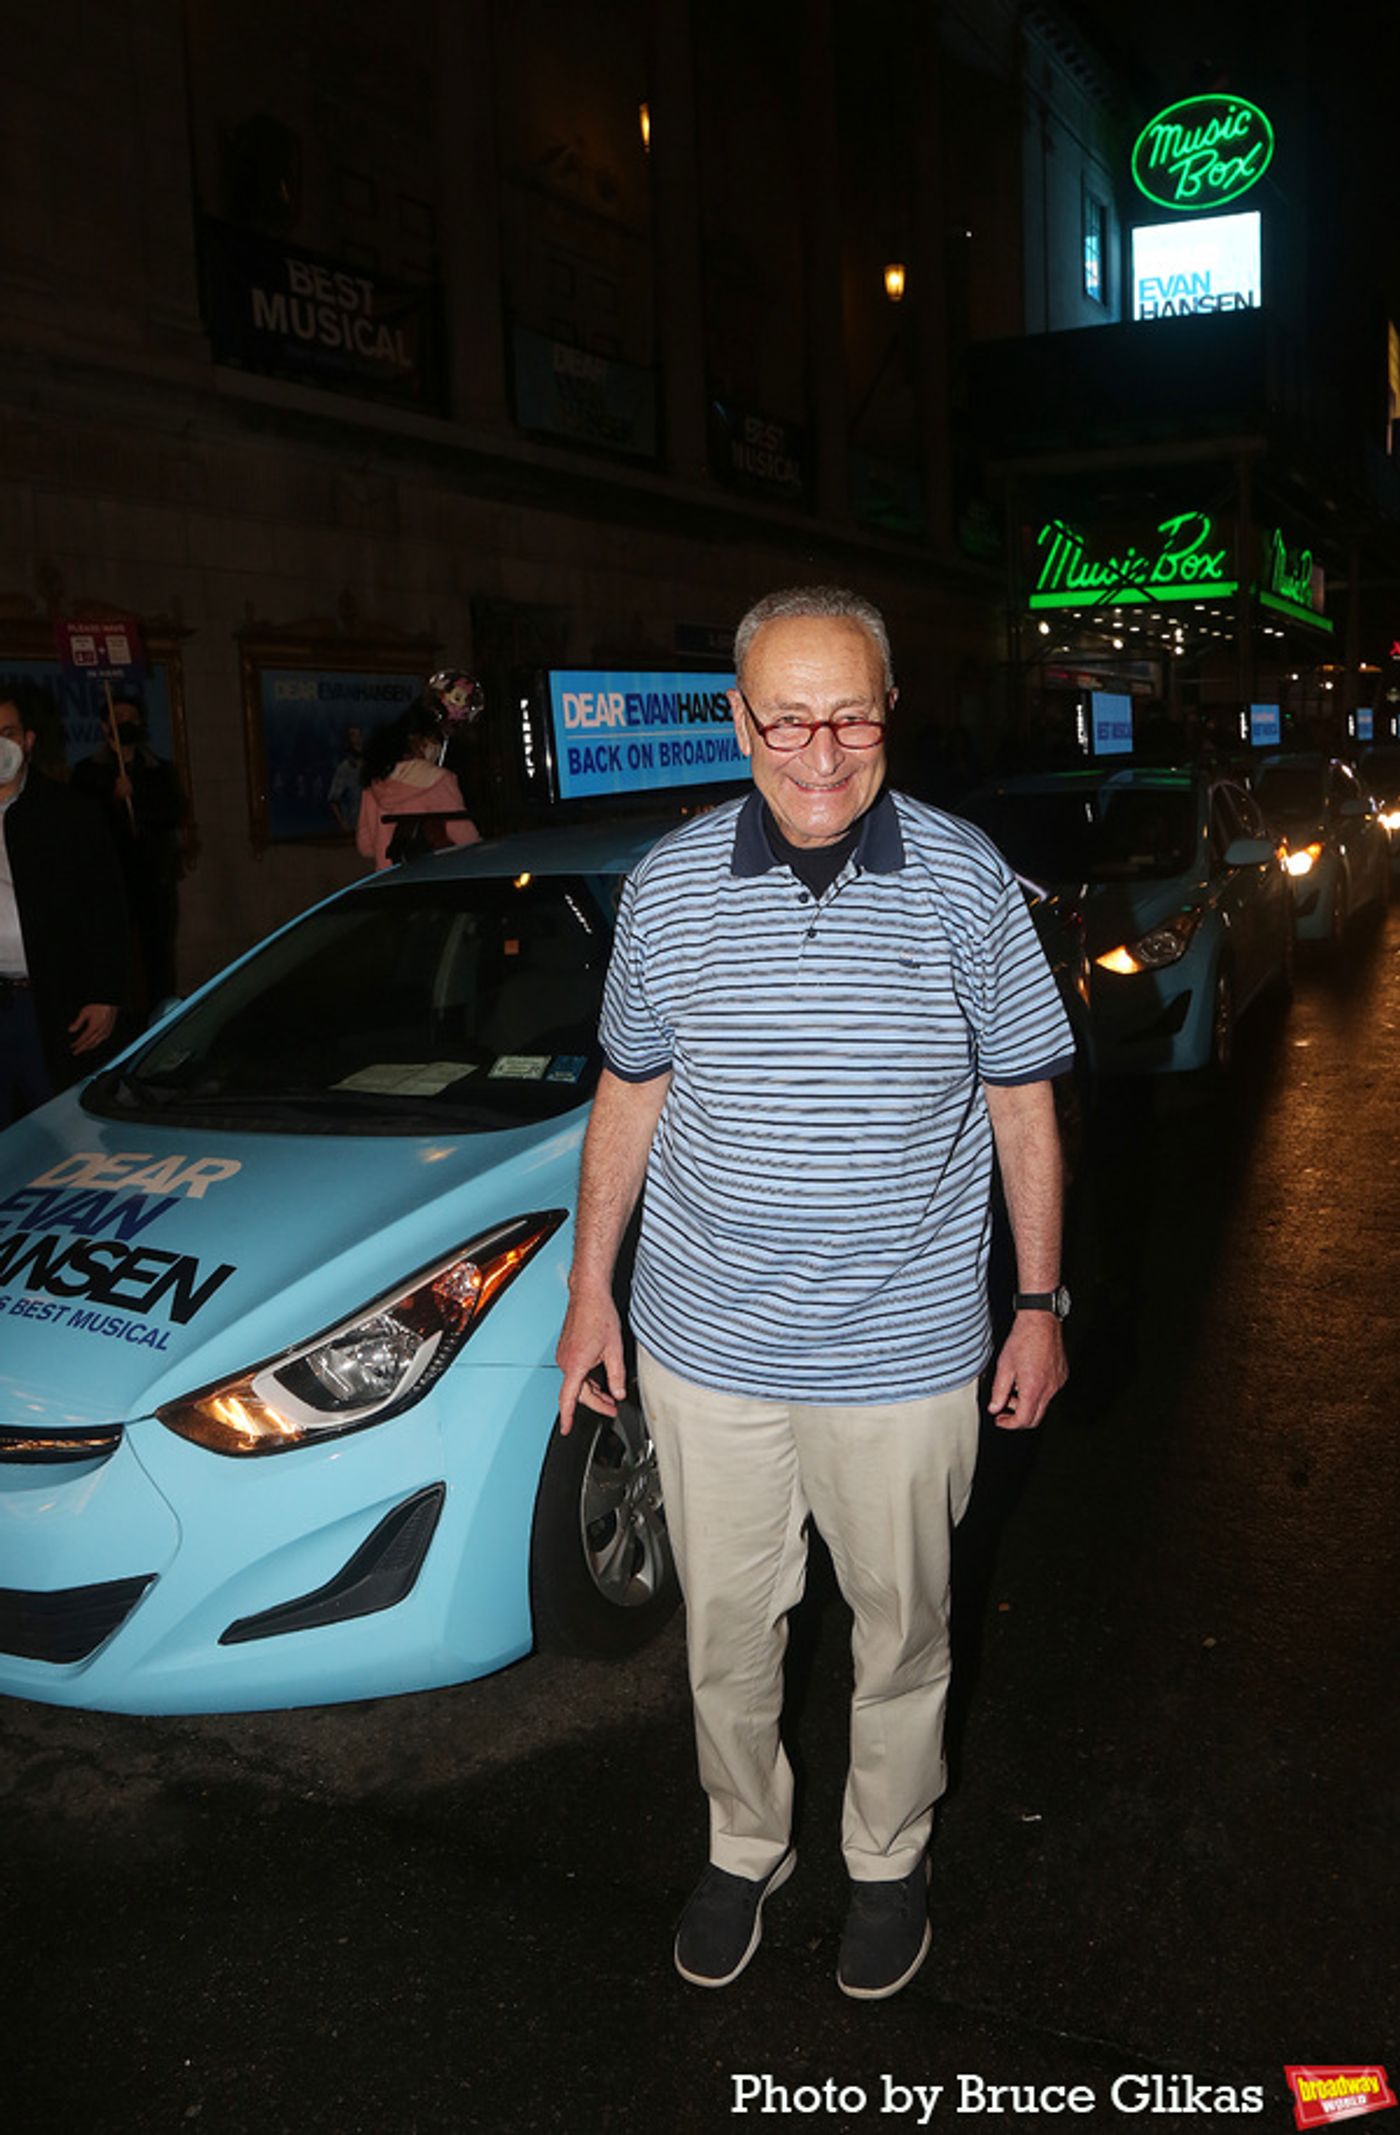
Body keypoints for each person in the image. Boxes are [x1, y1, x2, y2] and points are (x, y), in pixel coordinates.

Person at [555, 587, 1074, 2001]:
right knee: (726, 1632)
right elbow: (628, 1091)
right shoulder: (668, 885)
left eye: (849, 715)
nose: (821, 751)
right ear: (739, 721)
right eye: (787, 719)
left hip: (906, 1351)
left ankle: (887, 1857)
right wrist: (590, 1290)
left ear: (888, 710)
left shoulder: (966, 877)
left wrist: (1039, 1304)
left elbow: (1021, 1102)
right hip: (707, 1345)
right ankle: (745, 1843)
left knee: (902, 1632)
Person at [0, 686, 130, 1126]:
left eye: (7, 733)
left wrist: (106, 993)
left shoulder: (69, 813)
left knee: (66, 1130)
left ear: (28, 740)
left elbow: (106, 907)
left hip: (52, 1005)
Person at [71, 693, 188, 1011]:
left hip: (154, 878)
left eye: (131, 718)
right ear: (104, 725)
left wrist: (138, 800)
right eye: (118, 717)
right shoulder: (87, 772)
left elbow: (173, 812)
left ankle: (162, 1016)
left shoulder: (159, 769)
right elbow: (82, 825)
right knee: (116, 952)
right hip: (111, 880)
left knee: (159, 954)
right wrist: (113, 797)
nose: (125, 723)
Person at [355, 699, 481, 871]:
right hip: (432, 876)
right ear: (424, 741)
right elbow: (465, 838)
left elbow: (366, 847)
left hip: (390, 879)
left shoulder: (374, 779)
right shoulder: (439, 779)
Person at [327, 724, 364, 835]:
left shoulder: (369, 765)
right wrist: (344, 825)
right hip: (353, 826)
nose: (358, 739)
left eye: (359, 735)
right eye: (353, 736)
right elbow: (333, 800)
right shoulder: (344, 768)